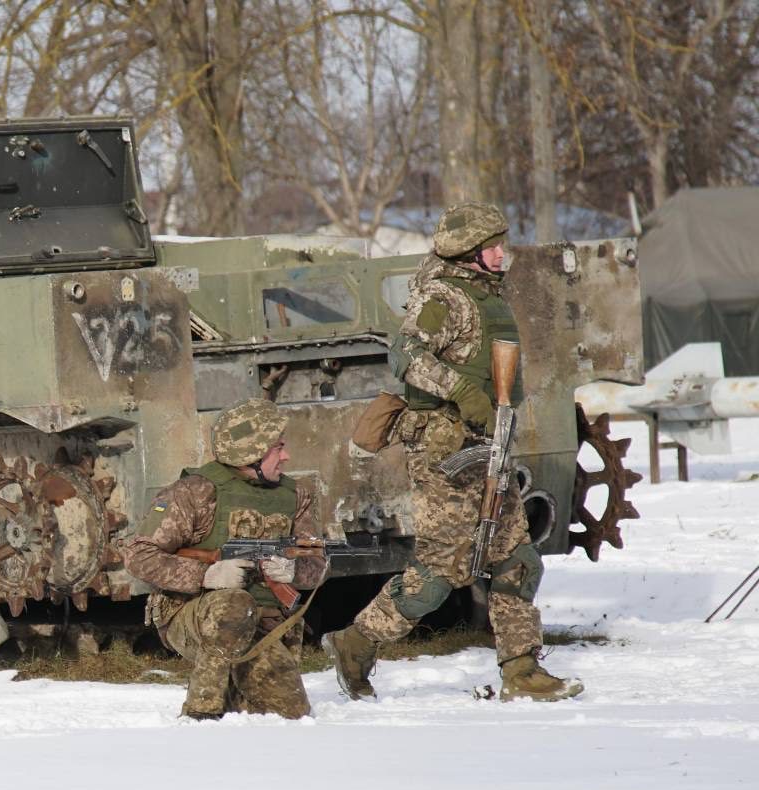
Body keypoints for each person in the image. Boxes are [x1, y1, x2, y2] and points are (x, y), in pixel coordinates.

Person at [323, 201, 582, 703]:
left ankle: (522, 670)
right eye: (493, 246)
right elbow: (406, 356)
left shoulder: (487, 296)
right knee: (441, 572)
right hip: (446, 451)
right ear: (470, 253)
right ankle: (356, 642)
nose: (503, 253)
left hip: (488, 446)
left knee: (516, 559)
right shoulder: (446, 297)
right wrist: (463, 393)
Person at [122, 399, 328, 720]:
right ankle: (200, 714)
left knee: (291, 714)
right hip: (193, 618)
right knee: (233, 604)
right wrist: (206, 575)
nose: (286, 456)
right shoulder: (194, 493)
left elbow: (317, 562)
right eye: (278, 448)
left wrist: (294, 570)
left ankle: (235, 696)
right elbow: (138, 556)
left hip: (263, 626)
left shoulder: (295, 496)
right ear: (251, 453)